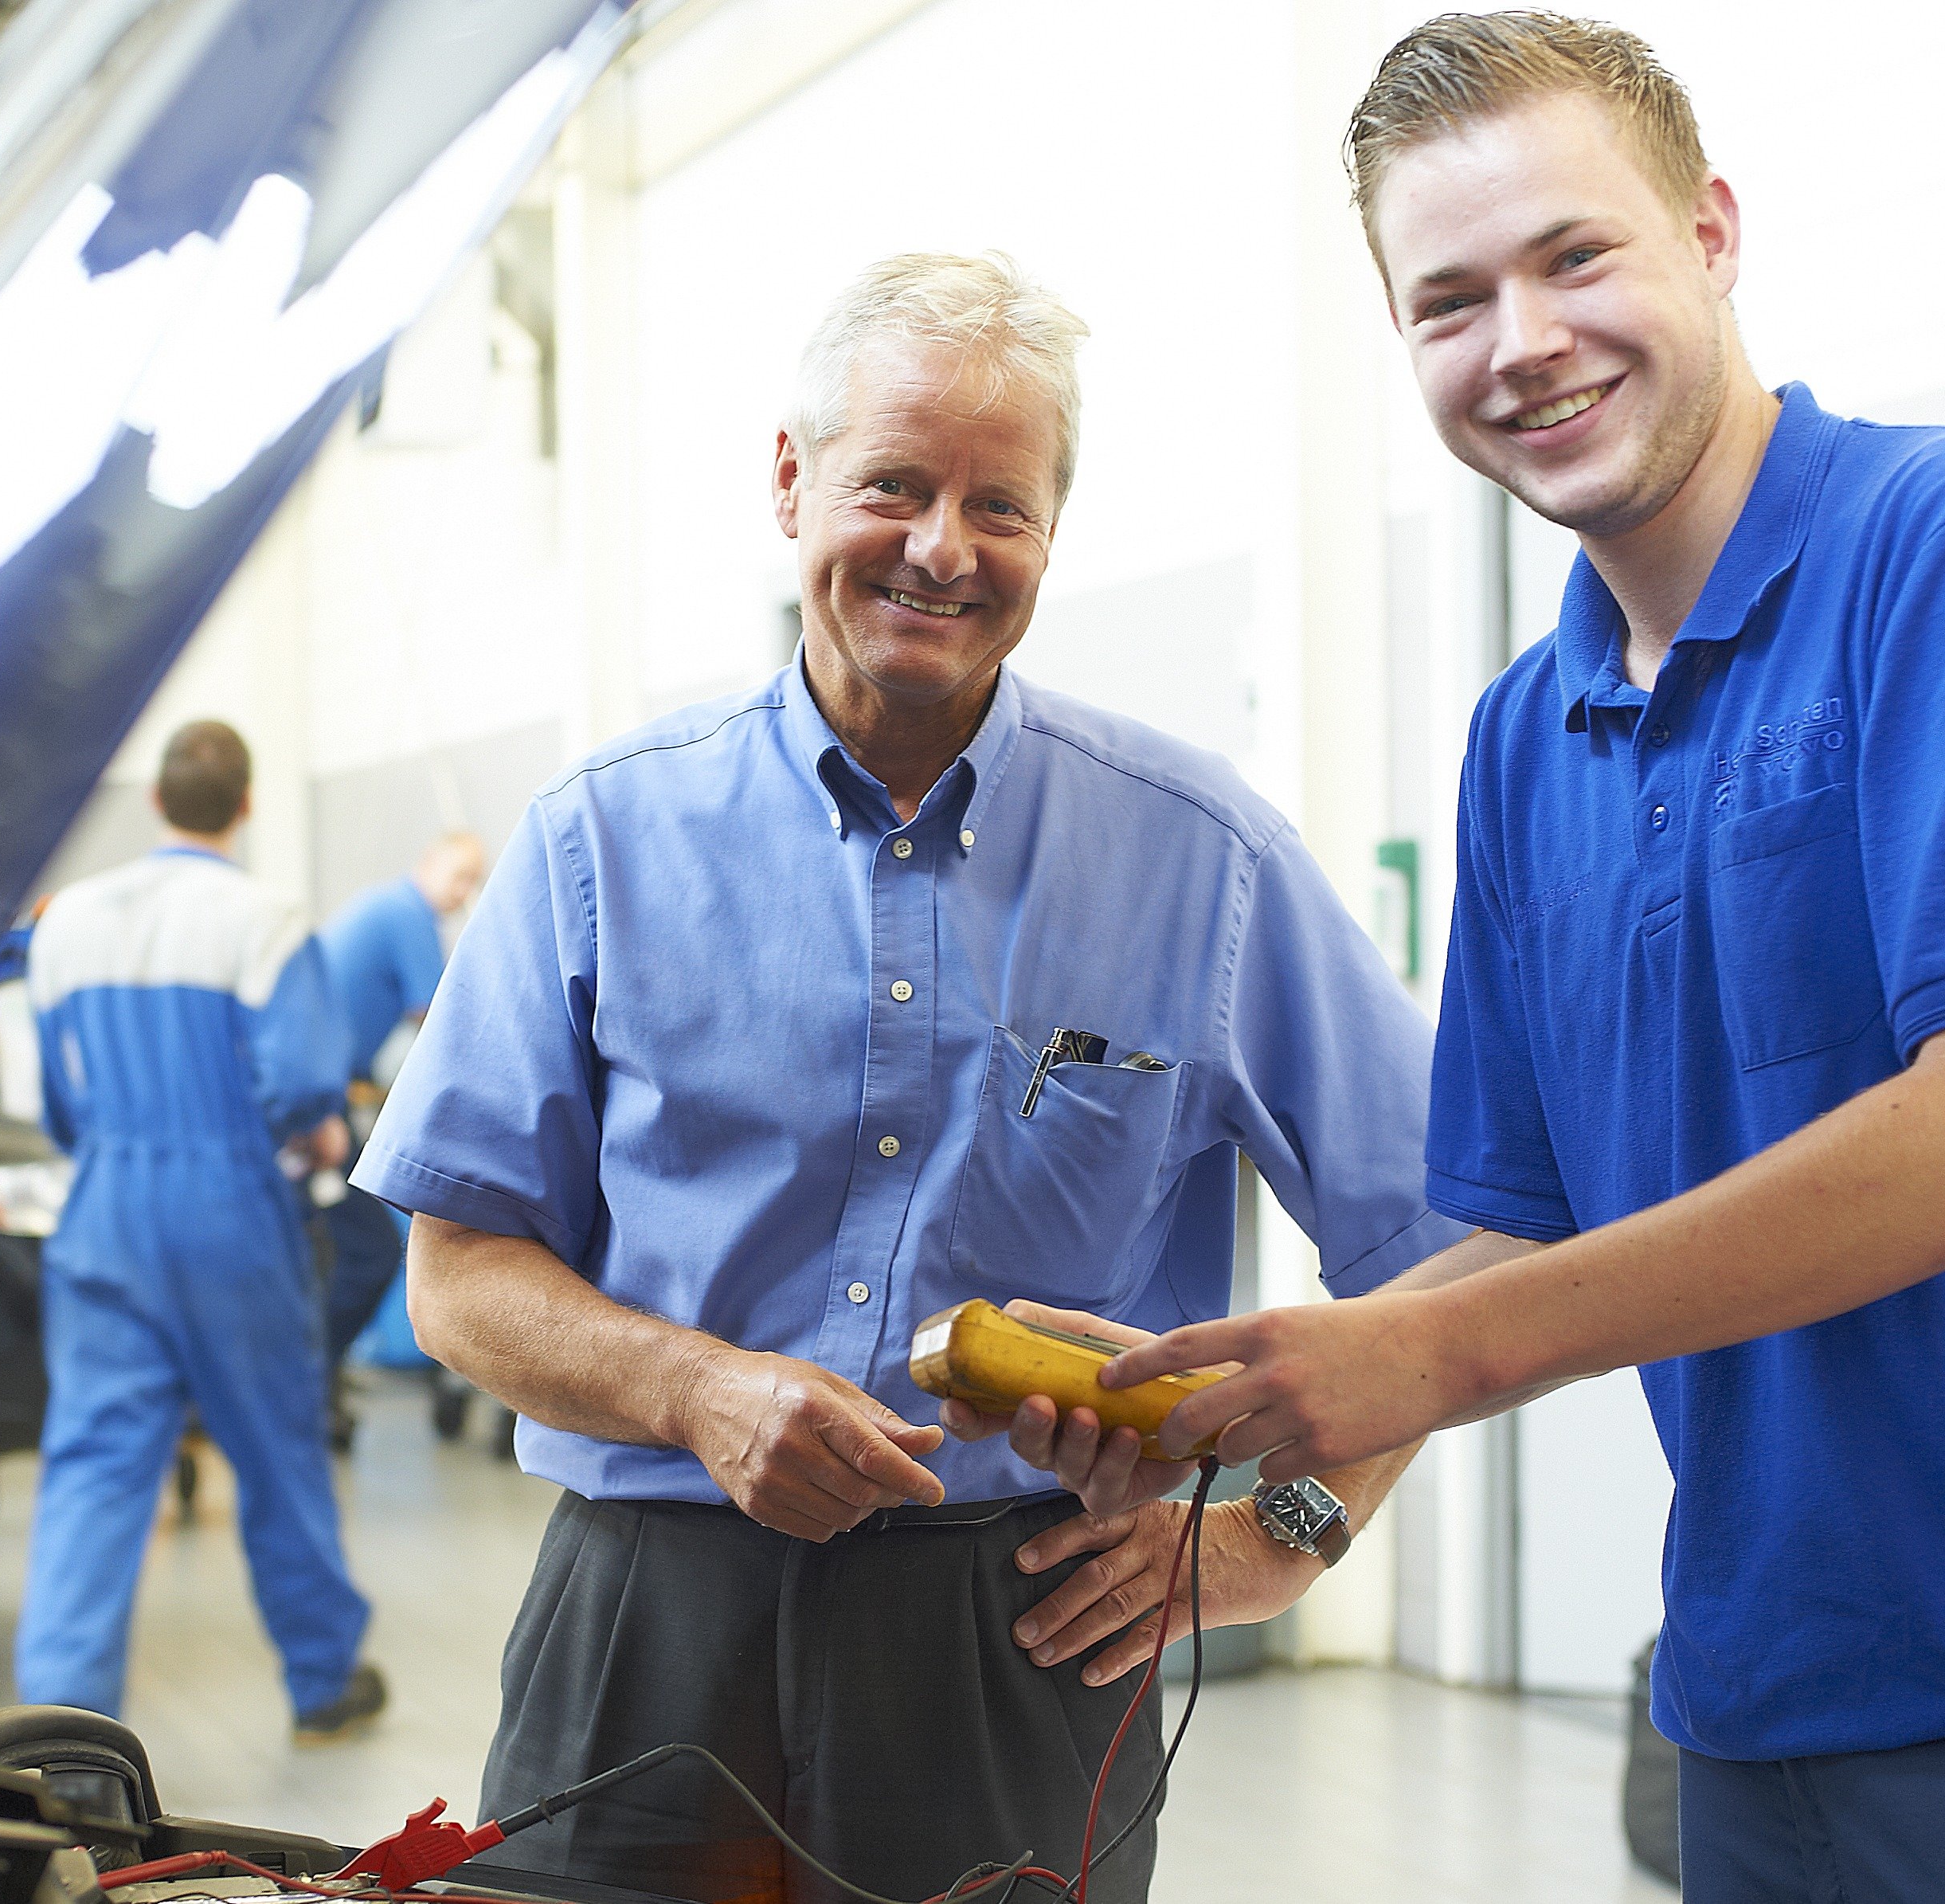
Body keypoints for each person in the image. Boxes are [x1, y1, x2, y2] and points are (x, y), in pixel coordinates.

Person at [1037, 18, 1945, 1902]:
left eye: (1577, 256)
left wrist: (1420, 1345)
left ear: (1713, 233)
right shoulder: (1519, 735)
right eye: (1450, 301)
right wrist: (1267, 1442)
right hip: (1750, 1716)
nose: (1526, 341)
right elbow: (1530, 1223)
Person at [351, 253, 1453, 1903]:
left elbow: (1434, 1253)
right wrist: (695, 1391)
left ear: (1052, 534)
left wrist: (1280, 1533)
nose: (942, 547)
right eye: (895, 484)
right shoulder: (603, 839)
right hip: (649, 1603)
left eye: (998, 505)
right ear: (792, 481)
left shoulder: (1197, 858)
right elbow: (458, 1282)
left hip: (1016, 1626)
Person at [16, 719, 389, 1743]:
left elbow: (56, 1099)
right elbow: (308, 1082)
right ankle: (323, 1678)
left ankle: (62, 1731)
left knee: (92, 1463)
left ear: (158, 802)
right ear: (247, 802)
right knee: (275, 1444)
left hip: (102, 1208)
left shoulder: (65, 921)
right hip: (226, 1205)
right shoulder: (261, 917)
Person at [309, 832, 490, 1422]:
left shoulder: (382, 906)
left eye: (474, 882)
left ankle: (315, 1376)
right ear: (427, 863)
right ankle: (310, 1381)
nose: (464, 893)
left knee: (328, 1249)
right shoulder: (406, 913)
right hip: (316, 1099)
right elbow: (440, 1018)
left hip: (323, 1089)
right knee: (372, 1250)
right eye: (460, 876)